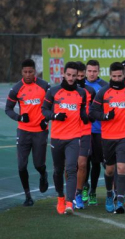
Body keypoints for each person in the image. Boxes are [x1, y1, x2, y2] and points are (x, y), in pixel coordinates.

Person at [89, 62, 125, 214]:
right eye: (114, 76)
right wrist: (105, 116)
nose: (117, 79)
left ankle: (119, 201)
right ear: (110, 75)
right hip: (107, 136)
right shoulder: (103, 92)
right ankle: (108, 194)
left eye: (119, 76)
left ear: (124, 75)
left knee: (122, 168)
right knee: (110, 170)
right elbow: (93, 112)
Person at [42, 61, 88, 215]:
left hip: (74, 137)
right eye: (68, 75)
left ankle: (70, 202)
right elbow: (44, 110)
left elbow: (82, 111)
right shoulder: (53, 91)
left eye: (74, 76)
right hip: (56, 137)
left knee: (71, 169)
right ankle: (60, 197)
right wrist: (54, 116)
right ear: (63, 73)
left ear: (77, 76)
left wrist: (88, 117)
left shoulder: (81, 93)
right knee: (58, 170)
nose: (71, 78)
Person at [5, 59, 50, 206]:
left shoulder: (44, 86)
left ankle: (43, 175)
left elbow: (53, 105)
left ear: (35, 72)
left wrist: (46, 120)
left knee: (38, 165)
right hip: (23, 132)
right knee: (21, 166)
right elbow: (8, 109)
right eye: (25, 72)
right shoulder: (16, 88)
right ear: (21, 72)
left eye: (31, 72)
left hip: (40, 131)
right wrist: (19, 117)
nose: (28, 74)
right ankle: (28, 196)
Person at [83, 60, 108, 205]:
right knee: (83, 161)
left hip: (99, 130)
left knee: (96, 162)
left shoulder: (104, 86)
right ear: (86, 71)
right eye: (89, 71)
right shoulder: (81, 86)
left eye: (94, 71)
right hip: (84, 130)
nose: (92, 74)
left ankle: (93, 190)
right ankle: (84, 187)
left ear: (98, 72)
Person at [73, 61, 96, 209]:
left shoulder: (90, 91)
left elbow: (94, 110)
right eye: (77, 76)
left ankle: (79, 193)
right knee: (69, 166)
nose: (79, 78)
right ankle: (69, 194)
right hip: (67, 132)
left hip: (85, 132)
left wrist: (91, 117)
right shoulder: (59, 91)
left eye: (82, 76)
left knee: (82, 164)